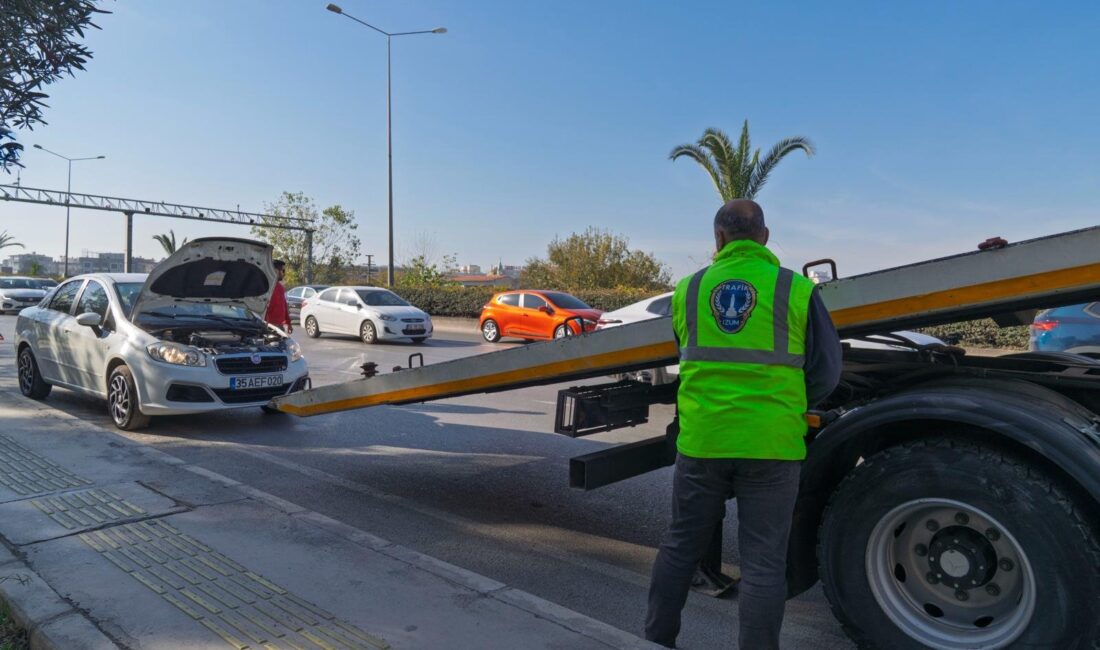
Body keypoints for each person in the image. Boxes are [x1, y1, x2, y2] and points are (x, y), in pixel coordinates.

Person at [645, 199, 842, 649]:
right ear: (765, 238)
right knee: (763, 566)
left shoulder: (688, 290)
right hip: (772, 446)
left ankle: (655, 640)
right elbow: (827, 371)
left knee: (679, 548)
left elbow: (686, 353)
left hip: (703, 441)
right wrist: (785, 403)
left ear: (718, 239)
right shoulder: (796, 290)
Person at [264, 259, 292, 334]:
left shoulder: (280, 288)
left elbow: (284, 306)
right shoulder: (265, 287)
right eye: (283, 270)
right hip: (268, 326)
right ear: (276, 271)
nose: (284, 273)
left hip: (280, 326)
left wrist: (288, 323)